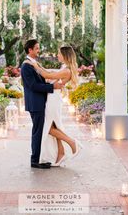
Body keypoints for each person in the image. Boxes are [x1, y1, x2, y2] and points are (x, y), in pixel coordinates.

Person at [24, 45, 83, 167]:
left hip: (53, 100)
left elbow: (47, 76)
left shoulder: (66, 71)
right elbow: (49, 72)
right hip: (52, 98)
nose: (57, 55)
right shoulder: (64, 68)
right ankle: (60, 153)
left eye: (59, 54)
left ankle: (72, 143)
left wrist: (34, 65)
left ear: (65, 55)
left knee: (50, 128)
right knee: (54, 126)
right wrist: (36, 65)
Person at [21, 39, 64, 169]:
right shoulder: (26, 66)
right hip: (35, 103)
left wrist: (51, 84)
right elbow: (33, 86)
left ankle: (38, 158)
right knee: (37, 132)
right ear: (30, 50)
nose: (39, 50)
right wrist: (52, 87)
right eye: (37, 48)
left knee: (40, 131)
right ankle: (35, 160)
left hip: (39, 102)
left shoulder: (34, 64)